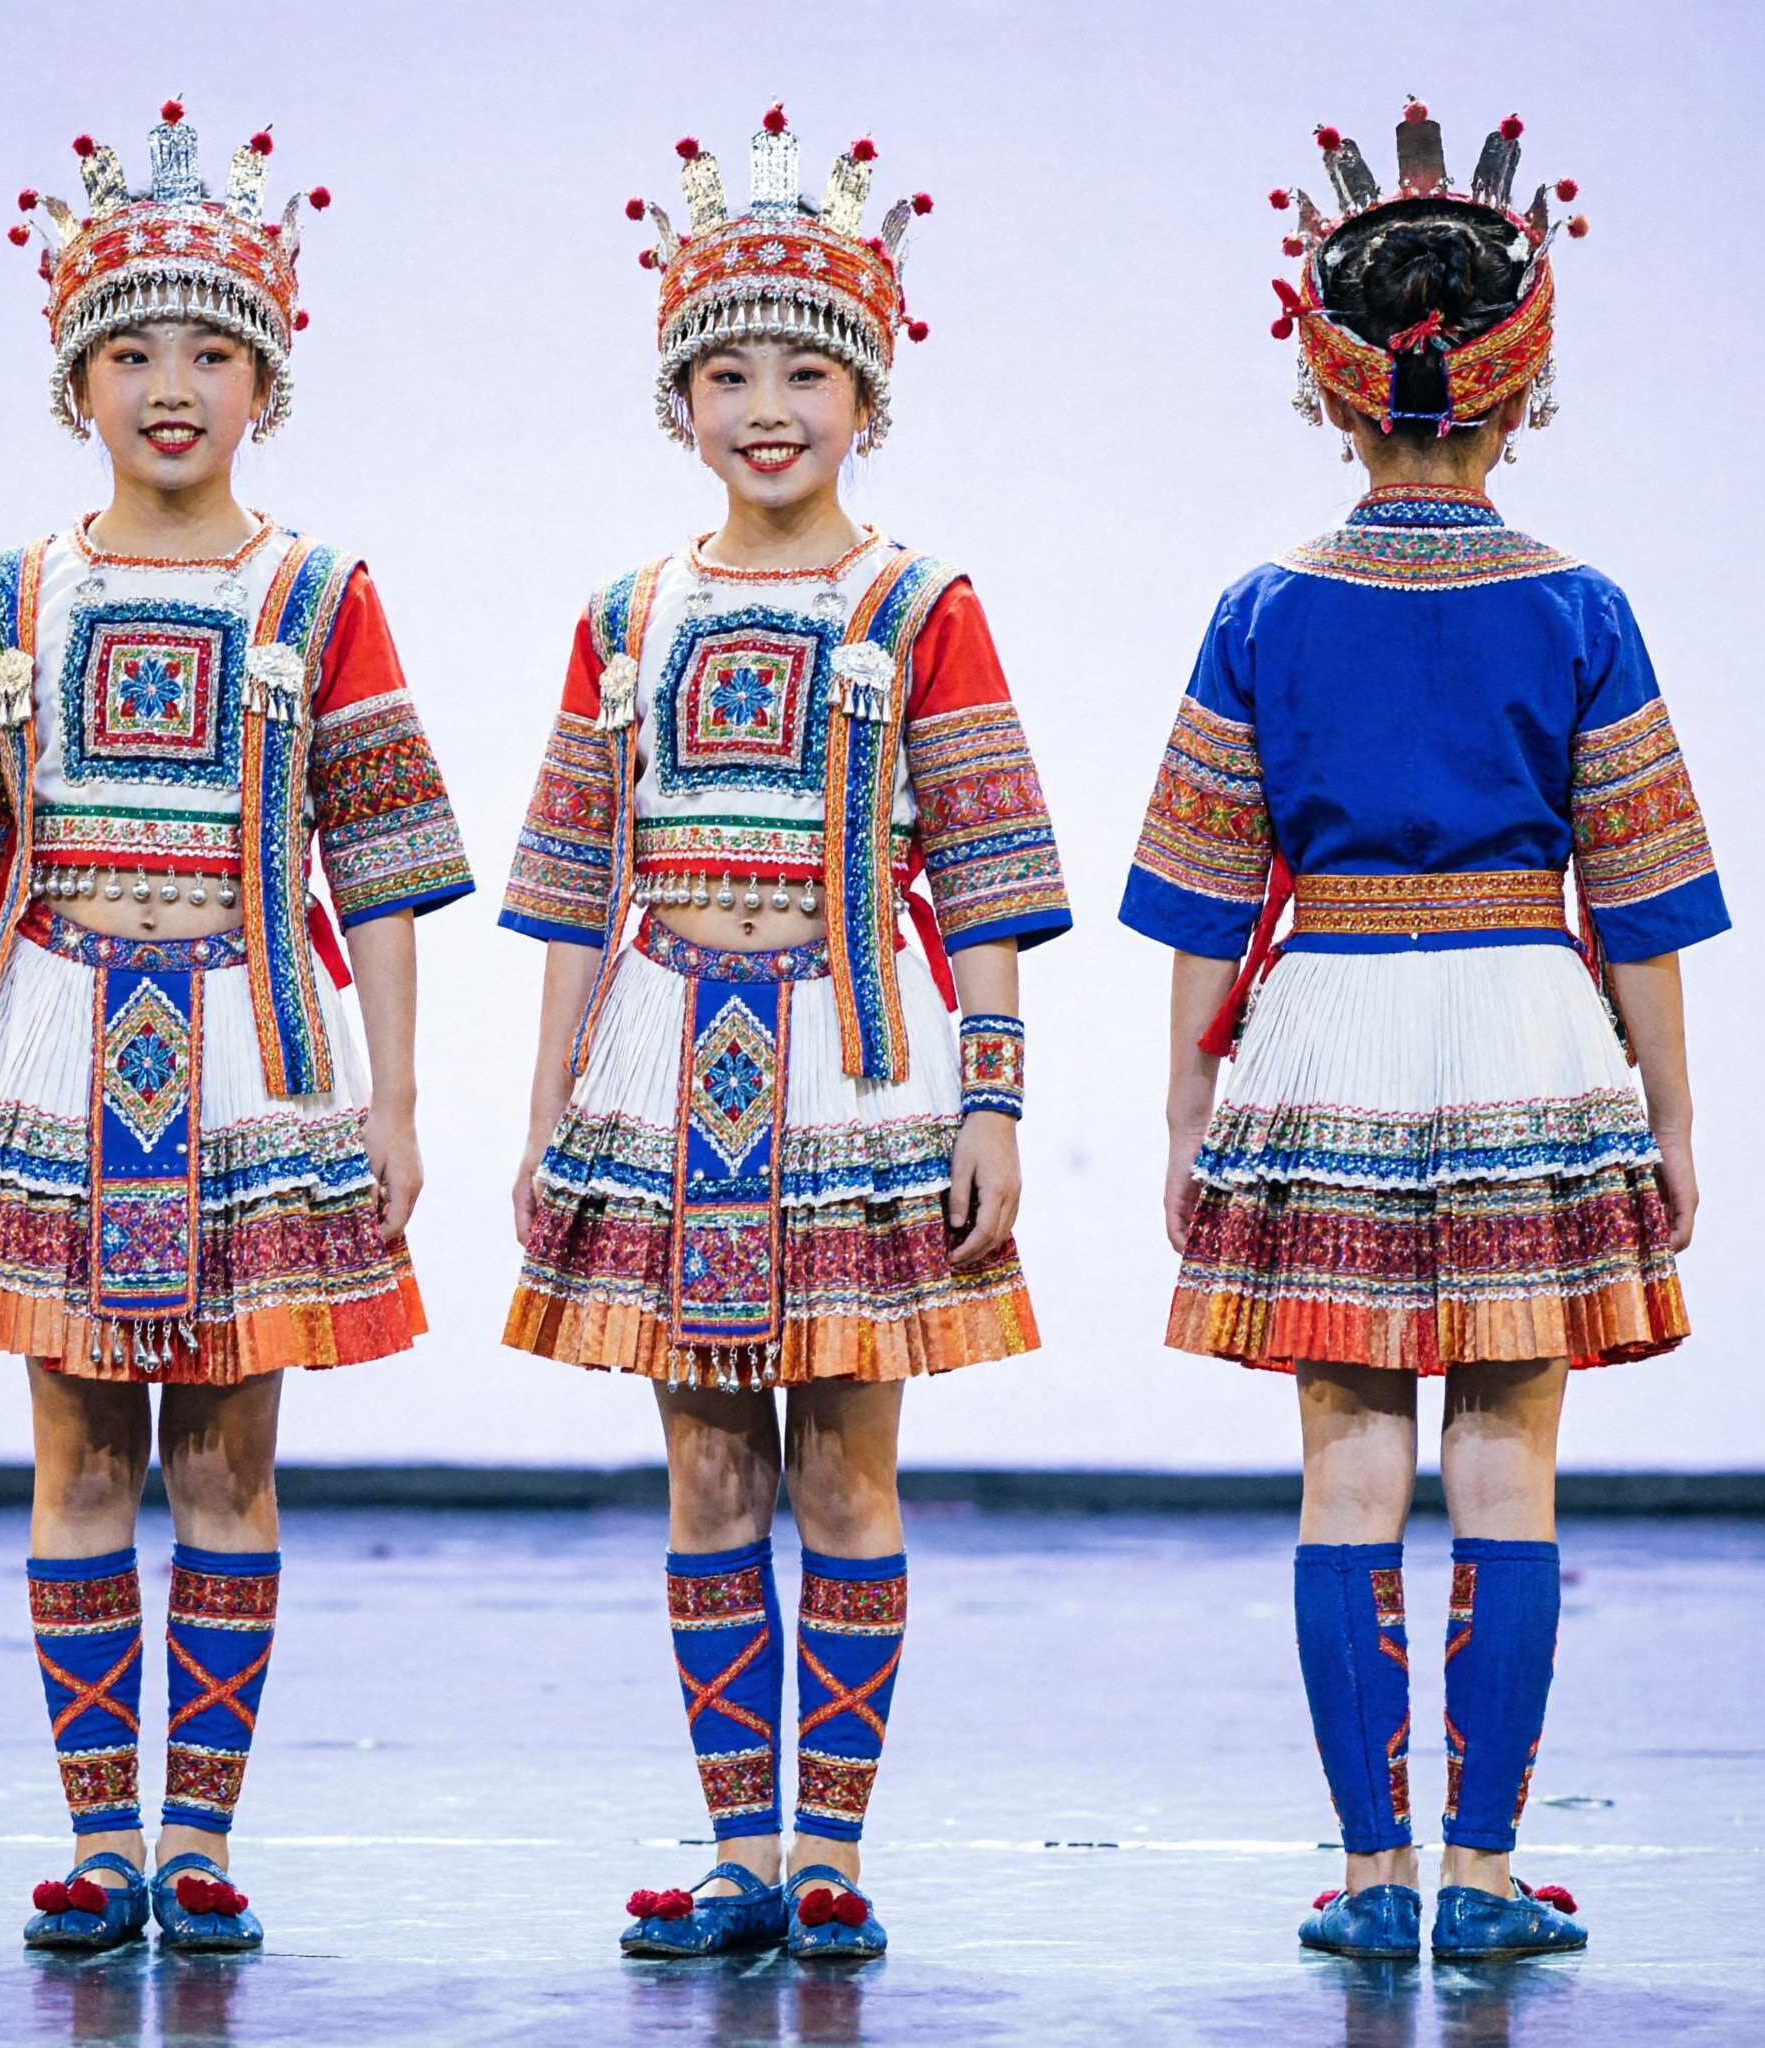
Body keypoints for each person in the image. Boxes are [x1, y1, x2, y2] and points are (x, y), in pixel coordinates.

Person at [1120, 102, 1727, 1963]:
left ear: (1331, 386)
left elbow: (1208, 886)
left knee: (1347, 1460)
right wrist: (1676, 1113)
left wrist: (1182, 1108)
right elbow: (1638, 888)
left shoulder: (1264, 607)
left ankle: (1376, 1878)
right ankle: (1479, 1873)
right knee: (1509, 1466)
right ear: (1517, 391)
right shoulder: (1580, 606)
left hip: (1326, 1030)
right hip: (1531, 1024)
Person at [0, 104, 472, 1954]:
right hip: (51, 1049)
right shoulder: (13, 596)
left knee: (225, 1454)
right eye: (132, 350)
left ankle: (197, 1837)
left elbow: (376, 862)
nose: (172, 385)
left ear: (265, 375)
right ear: (77, 377)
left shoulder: (315, 591)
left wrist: (396, 1094)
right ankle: (96, 1833)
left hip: (246, 1057)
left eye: (210, 349)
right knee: (76, 1455)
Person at [500, 108, 1070, 1961]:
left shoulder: (920, 607)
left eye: (806, 371)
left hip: (856, 1063)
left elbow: (981, 866)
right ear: (681, 396)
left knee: (845, 1455)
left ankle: (832, 1851)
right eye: (729, 370)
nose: (768, 406)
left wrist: (994, 1101)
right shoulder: (628, 613)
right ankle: (737, 1847)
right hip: (668, 1061)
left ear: (866, 392)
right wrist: (545, 1106)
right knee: (703, 1459)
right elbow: (579, 884)